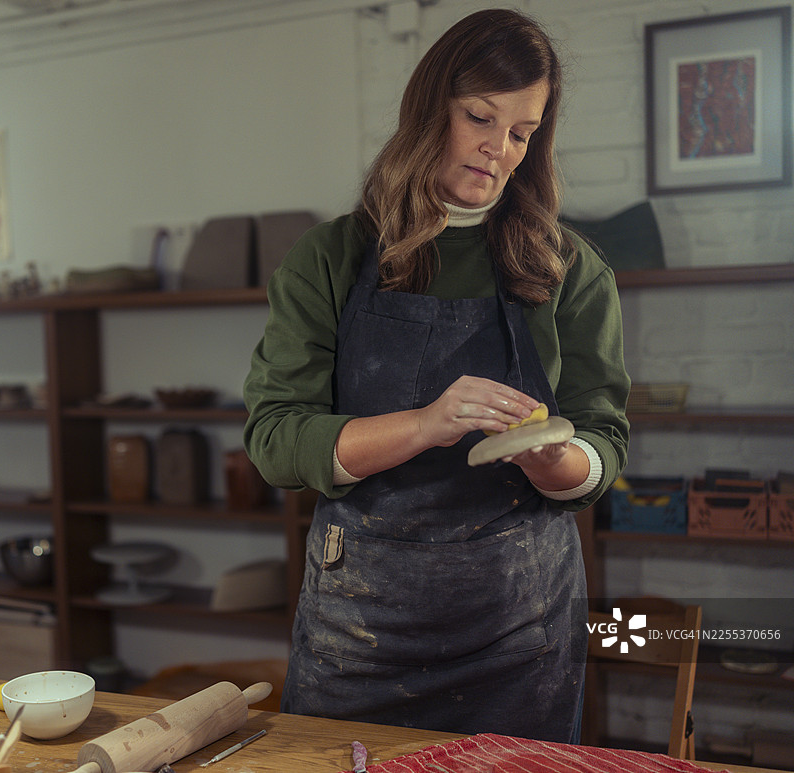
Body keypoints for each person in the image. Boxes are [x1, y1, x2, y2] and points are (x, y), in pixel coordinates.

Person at [243, 8, 629, 743]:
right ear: (429, 108)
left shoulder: (568, 270)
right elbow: (274, 439)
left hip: (521, 631)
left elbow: (605, 442)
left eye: (522, 132)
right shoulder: (329, 259)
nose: (499, 149)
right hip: (360, 632)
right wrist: (428, 424)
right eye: (480, 116)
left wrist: (557, 459)